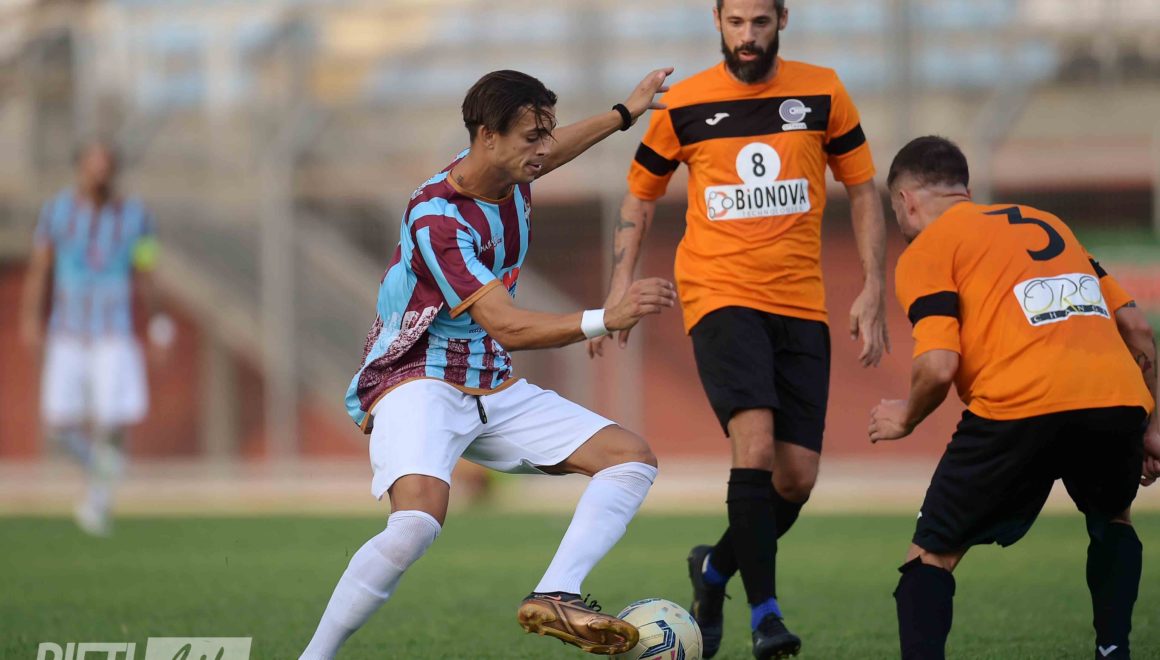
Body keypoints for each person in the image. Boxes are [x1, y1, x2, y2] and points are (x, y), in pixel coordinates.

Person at [298, 68, 678, 659]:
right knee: (416, 524)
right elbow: (506, 324)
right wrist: (605, 317)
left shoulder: (510, 171)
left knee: (630, 460)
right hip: (417, 376)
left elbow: (556, 150)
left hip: (487, 381)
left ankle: (555, 593)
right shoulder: (437, 217)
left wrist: (624, 113)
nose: (543, 149)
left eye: (545, 134)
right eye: (531, 137)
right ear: (487, 136)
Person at [589, 0, 888, 656]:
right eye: (736, 23)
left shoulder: (823, 91)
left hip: (801, 304)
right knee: (752, 447)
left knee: (795, 479)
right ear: (717, 22)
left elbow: (864, 189)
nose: (747, 36)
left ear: (783, 20)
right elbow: (641, 193)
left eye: (760, 23)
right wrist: (618, 285)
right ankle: (766, 618)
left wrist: (873, 287)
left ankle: (713, 570)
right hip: (719, 295)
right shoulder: (684, 103)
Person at [869, 135, 1160, 660]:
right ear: (963, 188)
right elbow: (1137, 327)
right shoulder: (1048, 224)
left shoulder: (928, 249)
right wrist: (1153, 425)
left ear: (906, 201)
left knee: (931, 554)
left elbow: (938, 365)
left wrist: (905, 417)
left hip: (1017, 406)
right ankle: (1113, 649)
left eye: (896, 211)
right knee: (1112, 518)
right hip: (1115, 398)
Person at [20, 140, 173, 536]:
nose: (99, 173)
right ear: (80, 169)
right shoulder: (56, 213)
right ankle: (100, 467)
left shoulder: (136, 217)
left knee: (113, 420)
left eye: (105, 165)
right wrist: (30, 317)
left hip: (113, 332)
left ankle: (98, 502)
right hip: (68, 331)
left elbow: (147, 268)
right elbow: (41, 267)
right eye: (92, 165)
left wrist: (157, 322)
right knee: (58, 423)